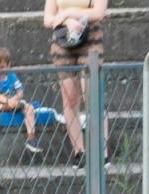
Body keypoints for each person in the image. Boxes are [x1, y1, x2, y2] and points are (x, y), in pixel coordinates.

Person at [44, 0, 107, 168]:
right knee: (70, 97)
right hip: (63, 37)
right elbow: (48, 19)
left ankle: (102, 151)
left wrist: (67, 14)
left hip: (90, 36)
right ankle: (79, 152)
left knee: (91, 93)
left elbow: (98, 13)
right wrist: (67, 21)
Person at [0, 47, 42, 154]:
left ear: (8, 65)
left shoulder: (12, 77)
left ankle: (31, 138)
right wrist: (6, 102)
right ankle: (2, 108)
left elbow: (20, 92)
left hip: (12, 104)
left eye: (2, 67)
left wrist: (14, 99)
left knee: (30, 108)